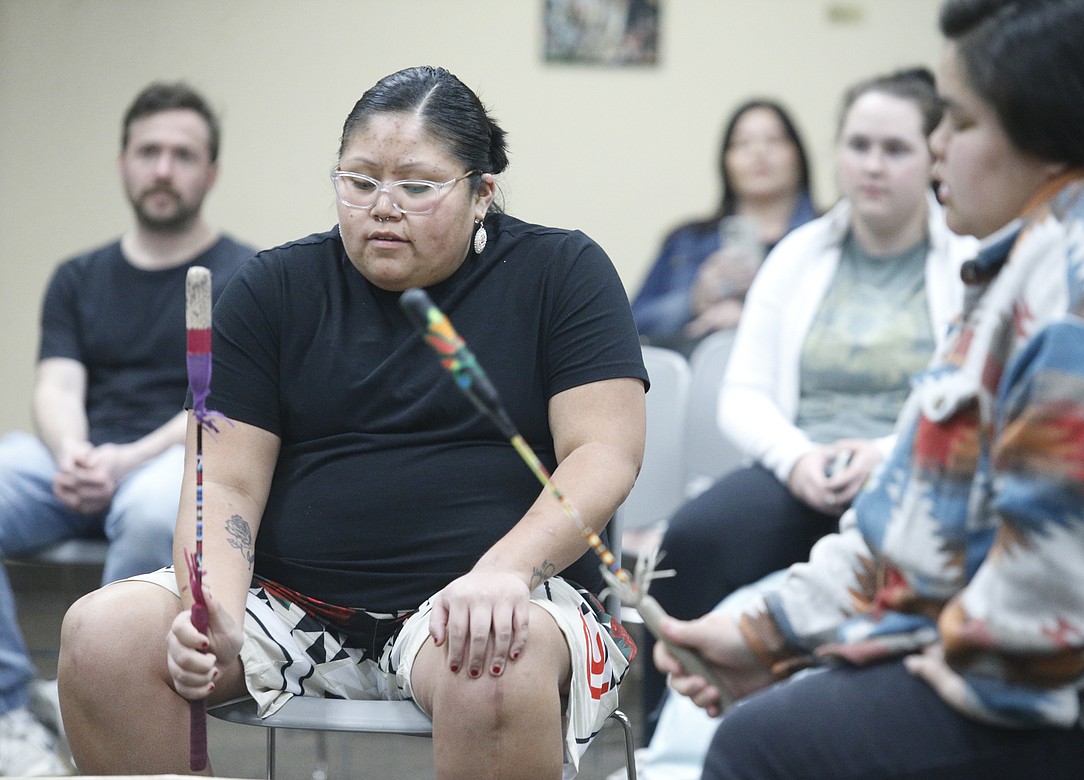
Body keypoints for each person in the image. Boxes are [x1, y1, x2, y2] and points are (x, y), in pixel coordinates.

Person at [56, 65, 647, 780]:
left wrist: (504, 573)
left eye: (417, 187)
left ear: (483, 191)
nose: (382, 207)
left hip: (492, 595)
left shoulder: (563, 273)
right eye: (359, 182)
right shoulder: (273, 289)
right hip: (292, 605)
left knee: (493, 656)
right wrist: (212, 607)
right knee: (102, 638)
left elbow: (603, 454)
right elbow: (227, 484)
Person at [656, 1, 1084, 777]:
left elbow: (1075, 542)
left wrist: (978, 668)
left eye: (956, 123)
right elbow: (913, 514)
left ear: (1051, 130)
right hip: (1000, 652)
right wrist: (768, 635)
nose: (935, 147)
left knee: (759, 746)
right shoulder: (1028, 252)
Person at [638, 66, 977, 748]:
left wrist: (881, 453)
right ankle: (659, 737)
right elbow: (745, 392)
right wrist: (796, 461)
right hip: (801, 464)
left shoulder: (965, 259)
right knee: (692, 541)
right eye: (857, 145)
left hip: (909, 465)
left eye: (895, 148)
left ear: (932, 154)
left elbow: (966, 392)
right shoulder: (799, 254)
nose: (872, 165)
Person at [0, 81, 252, 776]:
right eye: (149, 151)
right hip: (79, 459)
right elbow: (57, 383)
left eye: (182, 153)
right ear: (124, 164)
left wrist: (123, 461)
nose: (163, 168)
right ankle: (9, 715)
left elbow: (219, 406)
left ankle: (94, 691)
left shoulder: (244, 277)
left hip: (172, 459)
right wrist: (75, 451)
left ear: (211, 172)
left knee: (156, 507)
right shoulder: (78, 278)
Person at [630, 99, 817, 355]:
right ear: (725, 161)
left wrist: (752, 318)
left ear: (798, 155)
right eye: (742, 143)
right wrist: (694, 300)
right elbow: (631, 325)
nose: (759, 151)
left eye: (773, 140)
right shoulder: (687, 240)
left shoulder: (827, 235)